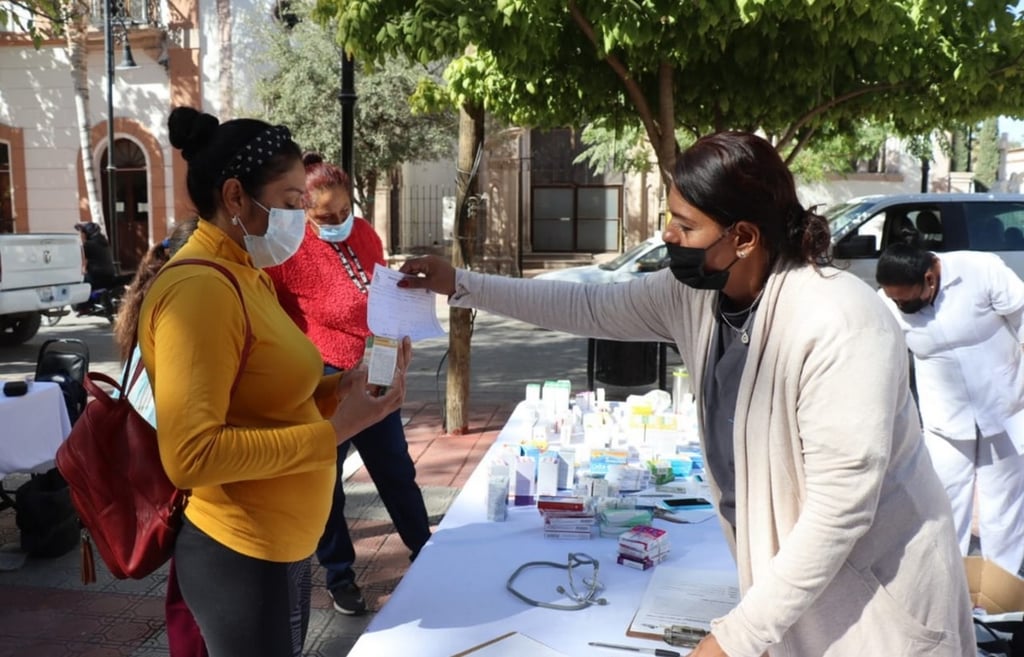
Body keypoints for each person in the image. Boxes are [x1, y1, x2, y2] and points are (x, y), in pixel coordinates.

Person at [398, 132, 973, 657]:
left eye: (684, 224)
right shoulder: (697, 295)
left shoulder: (840, 321)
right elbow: (587, 306)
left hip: (878, 605)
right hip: (792, 597)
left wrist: (732, 640)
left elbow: (838, 512)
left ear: (743, 237)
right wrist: (461, 285)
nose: (668, 236)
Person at [138, 106, 411, 657]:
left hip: (278, 546)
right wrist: (335, 431)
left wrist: (346, 388)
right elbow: (192, 455)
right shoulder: (202, 291)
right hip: (241, 552)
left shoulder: (245, 271)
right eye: (291, 203)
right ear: (236, 197)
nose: (300, 220)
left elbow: (273, 395)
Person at [266, 153, 431, 615]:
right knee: (326, 483)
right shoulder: (286, 251)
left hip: (375, 368)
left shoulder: (364, 233)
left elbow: (380, 291)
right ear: (303, 211)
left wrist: (400, 334)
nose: (339, 222)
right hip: (323, 379)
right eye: (326, 216)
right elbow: (270, 316)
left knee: (396, 469)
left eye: (344, 211)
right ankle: (340, 576)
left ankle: (426, 552)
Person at [876, 232, 1024, 575]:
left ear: (930, 278)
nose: (900, 307)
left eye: (907, 303)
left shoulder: (980, 269)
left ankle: (999, 596)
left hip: (1006, 408)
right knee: (942, 500)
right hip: (944, 418)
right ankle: (947, 586)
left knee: (1003, 505)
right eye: (893, 300)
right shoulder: (886, 302)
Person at [113, 219, 209, 657]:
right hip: (179, 475)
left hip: (161, 468)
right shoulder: (184, 306)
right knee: (189, 596)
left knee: (185, 593)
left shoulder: (155, 297)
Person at [74, 221, 117, 311]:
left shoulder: (88, 245)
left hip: (97, 277)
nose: (81, 235)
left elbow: (78, 258)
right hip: (110, 274)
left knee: (81, 285)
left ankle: (84, 307)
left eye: (82, 233)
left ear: (87, 234)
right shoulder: (104, 243)